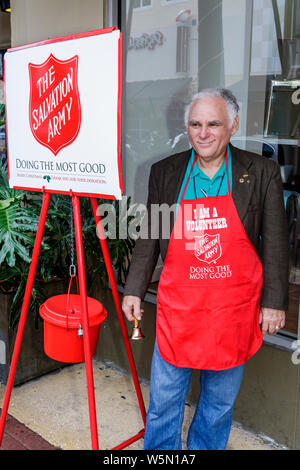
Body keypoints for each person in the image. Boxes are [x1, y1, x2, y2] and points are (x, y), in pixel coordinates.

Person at [122, 88, 289, 450]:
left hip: (233, 310)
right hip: (179, 309)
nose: (204, 133)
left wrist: (274, 302)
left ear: (233, 124)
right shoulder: (165, 171)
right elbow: (150, 234)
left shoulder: (260, 172)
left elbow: (276, 241)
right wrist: (134, 288)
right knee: (165, 400)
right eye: (195, 124)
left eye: (214, 123)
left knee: (218, 404)